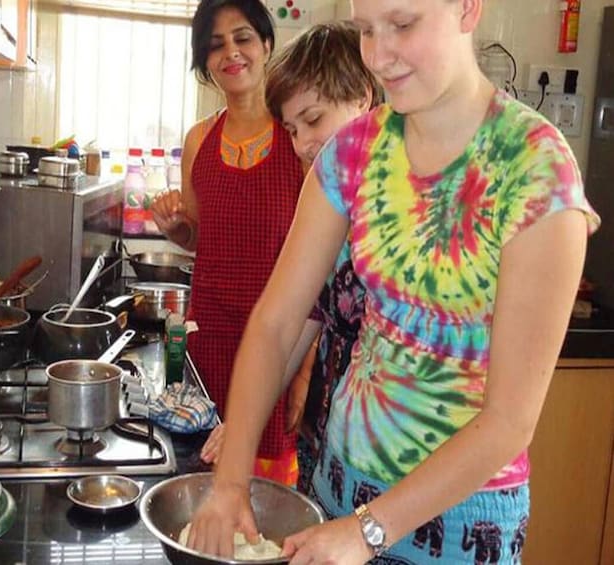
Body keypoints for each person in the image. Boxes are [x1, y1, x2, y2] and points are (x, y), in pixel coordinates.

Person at [185, 0, 600, 563]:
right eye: (365, 31)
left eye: (402, 25)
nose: (378, 56)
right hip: (337, 492)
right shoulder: (353, 153)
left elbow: (508, 421)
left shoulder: (535, 168)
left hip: (457, 529)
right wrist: (230, 483)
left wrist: (367, 530)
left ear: (468, 9)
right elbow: (278, 322)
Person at [199, 21, 384, 496]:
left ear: (363, 96)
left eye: (314, 119)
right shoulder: (332, 201)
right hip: (331, 459)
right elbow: (291, 323)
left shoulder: (404, 199)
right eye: (292, 128)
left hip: (395, 481)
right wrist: (241, 427)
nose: (302, 143)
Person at [150, 0, 304, 487]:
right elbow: (199, 239)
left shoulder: (298, 137)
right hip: (209, 339)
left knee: (267, 496)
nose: (230, 53)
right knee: (202, 480)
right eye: (215, 46)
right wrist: (176, 229)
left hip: (280, 344)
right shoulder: (199, 139)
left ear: (266, 45)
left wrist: (302, 376)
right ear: (204, 62)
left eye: (242, 38)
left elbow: (317, 267)